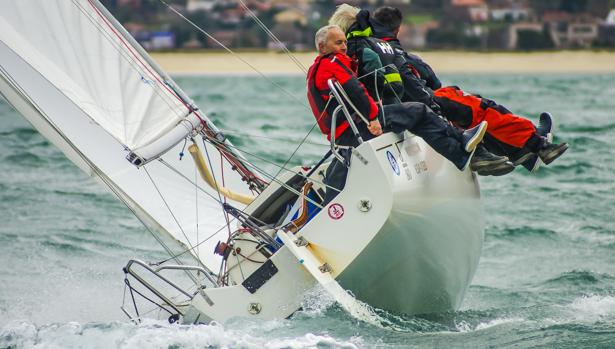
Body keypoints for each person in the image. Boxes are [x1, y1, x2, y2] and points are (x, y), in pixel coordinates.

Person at [308, 25, 497, 204]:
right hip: (357, 126)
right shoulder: (332, 63)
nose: (343, 47)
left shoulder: (317, 68)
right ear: (322, 47)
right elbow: (354, 89)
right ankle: (461, 144)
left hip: (345, 131)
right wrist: (373, 117)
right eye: (338, 43)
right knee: (418, 110)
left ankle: (460, 152)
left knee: (412, 116)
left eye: (344, 42)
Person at [370, 6, 569, 173]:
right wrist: (432, 101)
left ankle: (524, 151)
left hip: (404, 104)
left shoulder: (368, 48)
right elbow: (430, 80)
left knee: (475, 110)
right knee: (480, 108)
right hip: (423, 100)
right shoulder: (397, 52)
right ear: (397, 30)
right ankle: (535, 143)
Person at [329, 4, 512, 175]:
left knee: (424, 109)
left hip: (361, 123)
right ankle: (476, 152)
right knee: (424, 110)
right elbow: (410, 81)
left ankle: (477, 150)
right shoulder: (374, 48)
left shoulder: (346, 55)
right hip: (375, 119)